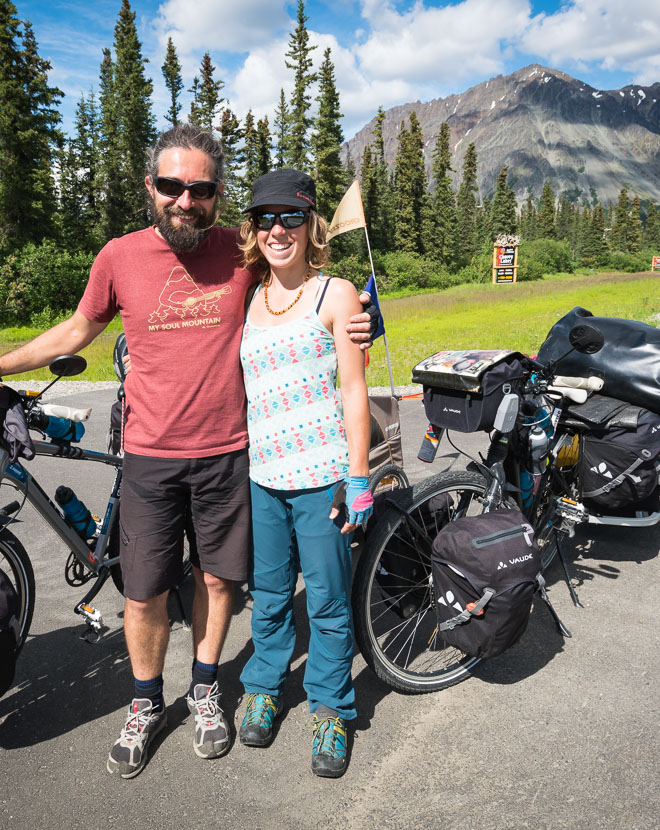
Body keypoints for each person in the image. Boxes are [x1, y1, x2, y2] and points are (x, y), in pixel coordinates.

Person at [0, 124, 377, 779]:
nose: (185, 199)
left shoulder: (240, 254)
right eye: (172, 186)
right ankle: (145, 703)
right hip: (152, 457)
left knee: (225, 582)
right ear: (151, 187)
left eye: (199, 188)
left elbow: (306, 284)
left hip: (232, 457)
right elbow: (78, 328)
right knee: (145, 594)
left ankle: (210, 691)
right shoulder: (119, 257)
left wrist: (359, 312)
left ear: (217, 196)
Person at [234, 169, 371, 779]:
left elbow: (353, 386)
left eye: (290, 218)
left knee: (327, 601)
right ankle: (263, 685)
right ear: (253, 229)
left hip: (323, 478)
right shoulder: (247, 295)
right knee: (266, 598)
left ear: (311, 225)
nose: (277, 231)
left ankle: (332, 710)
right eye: (265, 219)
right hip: (262, 477)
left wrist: (361, 476)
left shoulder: (336, 294)